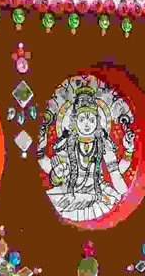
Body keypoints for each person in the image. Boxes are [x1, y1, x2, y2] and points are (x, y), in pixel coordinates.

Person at [38, 79, 135, 222]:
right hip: (70, 194)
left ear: (98, 121)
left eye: (91, 120)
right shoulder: (68, 143)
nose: (87, 124)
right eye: (82, 119)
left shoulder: (102, 144)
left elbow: (116, 173)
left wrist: (129, 150)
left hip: (97, 194)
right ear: (74, 121)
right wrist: (43, 153)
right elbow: (49, 168)